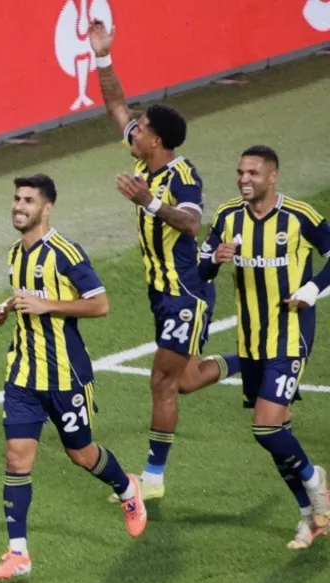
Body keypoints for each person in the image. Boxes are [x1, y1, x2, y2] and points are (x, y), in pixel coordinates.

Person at [88, 19, 239, 501]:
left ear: (157, 141)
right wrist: (103, 55)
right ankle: (253, 360)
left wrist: (149, 203)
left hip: (185, 292)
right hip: (162, 292)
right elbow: (116, 105)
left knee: (162, 381)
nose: (134, 129)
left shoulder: (181, 176)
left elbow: (192, 223)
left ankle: (152, 479)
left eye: (143, 128)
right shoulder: (143, 158)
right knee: (186, 379)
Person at [0, 174, 147, 581]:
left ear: (47, 208)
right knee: (16, 458)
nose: (18, 206)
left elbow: (100, 304)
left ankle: (126, 487)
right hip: (23, 373)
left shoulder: (65, 253)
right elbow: (28, 293)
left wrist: (49, 306)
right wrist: (7, 307)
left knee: (81, 454)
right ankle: (18, 553)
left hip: (65, 375)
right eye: (16, 198)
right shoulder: (15, 253)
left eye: (28, 200)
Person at [198, 146, 330, 549]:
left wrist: (311, 289)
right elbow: (200, 270)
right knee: (278, 434)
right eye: (241, 172)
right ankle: (309, 517)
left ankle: (316, 482)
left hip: (289, 335)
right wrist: (215, 259)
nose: (244, 179)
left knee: (266, 426)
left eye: (253, 173)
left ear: (272, 177)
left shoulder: (300, 217)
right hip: (250, 339)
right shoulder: (227, 216)